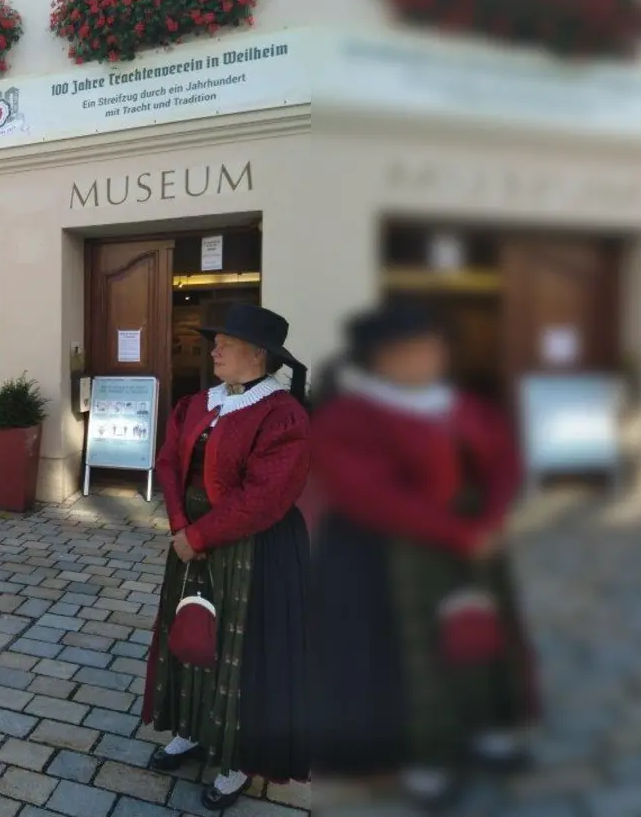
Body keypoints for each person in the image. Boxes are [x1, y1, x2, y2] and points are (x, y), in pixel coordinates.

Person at [310, 301, 537, 808]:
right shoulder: (349, 416)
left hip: (475, 540)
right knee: (416, 653)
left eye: (432, 348)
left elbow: (504, 459)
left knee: (483, 630)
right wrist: (460, 534)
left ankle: (487, 727)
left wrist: (491, 519)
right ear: (379, 358)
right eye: (412, 351)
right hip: (391, 552)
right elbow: (367, 493)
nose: (427, 359)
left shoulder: (463, 405)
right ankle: (423, 756)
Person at [141, 303, 313, 808]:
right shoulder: (198, 403)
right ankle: (190, 729)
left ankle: (236, 759)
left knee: (239, 649)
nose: (213, 351)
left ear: (258, 354)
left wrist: (199, 536)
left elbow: (265, 496)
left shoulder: (283, 415)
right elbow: (168, 462)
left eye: (226, 344)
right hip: (190, 539)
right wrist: (180, 525)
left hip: (252, 548)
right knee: (190, 632)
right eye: (214, 343)